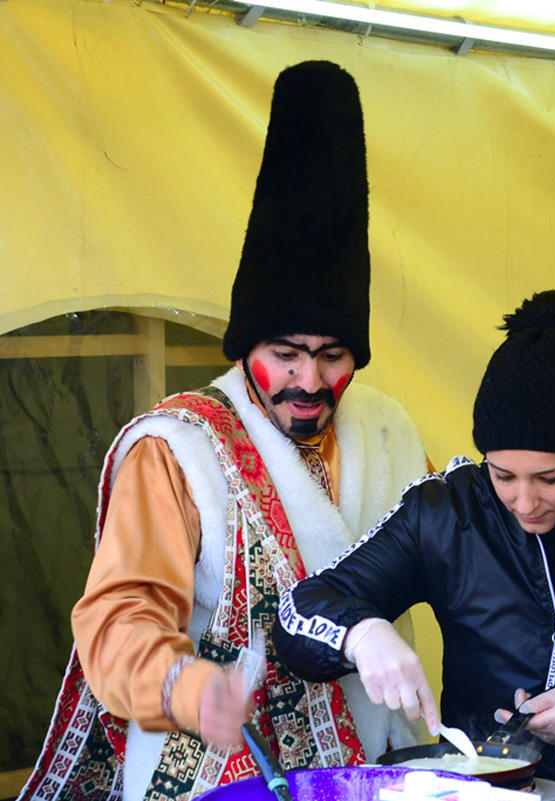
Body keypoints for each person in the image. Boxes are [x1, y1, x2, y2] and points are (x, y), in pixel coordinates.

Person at [20, 61, 430, 801]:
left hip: (359, 773)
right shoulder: (178, 448)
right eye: (285, 355)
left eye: (333, 357)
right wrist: (184, 681)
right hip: (215, 774)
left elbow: (461, 552)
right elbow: (119, 617)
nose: (309, 382)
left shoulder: (393, 434)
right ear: (243, 347)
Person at [273, 289, 555, 786]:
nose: (524, 501)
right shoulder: (448, 510)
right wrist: (359, 633)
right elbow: (298, 612)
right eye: (503, 475)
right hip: (486, 788)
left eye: (551, 478)